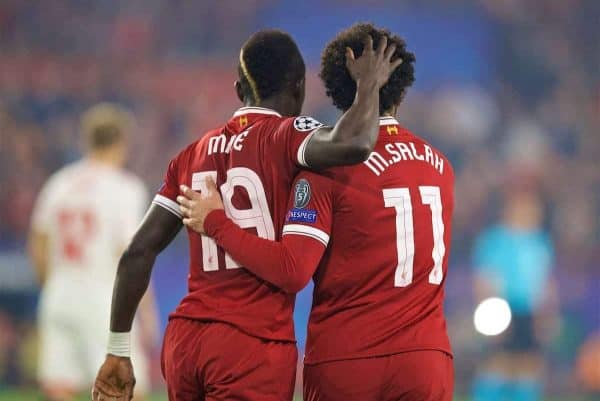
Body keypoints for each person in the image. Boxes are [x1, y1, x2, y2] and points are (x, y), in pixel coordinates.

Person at [92, 29, 401, 401]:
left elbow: (137, 253)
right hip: (250, 343)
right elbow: (355, 142)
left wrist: (118, 350)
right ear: (299, 88)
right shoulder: (288, 136)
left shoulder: (192, 154)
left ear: (240, 90)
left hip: (186, 342)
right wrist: (370, 85)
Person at [177, 23, 454, 401]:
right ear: (402, 90)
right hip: (427, 359)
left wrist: (216, 223)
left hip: (346, 360)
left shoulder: (324, 170)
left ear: (334, 88)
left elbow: (292, 267)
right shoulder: (439, 167)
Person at [28, 104, 158, 401]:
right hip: (103, 298)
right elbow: (131, 255)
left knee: (59, 387)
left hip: (59, 292)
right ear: (122, 142)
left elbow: (38, 241)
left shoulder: (59, 183)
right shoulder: (125, 188)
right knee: (127, 388)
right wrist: (147, 311)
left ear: (87, 139)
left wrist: (51, 285)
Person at [471, 187, 557, 401]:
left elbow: (545, 281)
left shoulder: (540, 243)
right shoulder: (495, 240)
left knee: (529, 365)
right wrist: (490, 314)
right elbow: (484, 279)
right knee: (498, 363)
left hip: (530, 310)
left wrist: (546, 314)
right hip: (503, 308)